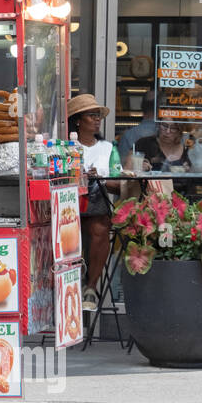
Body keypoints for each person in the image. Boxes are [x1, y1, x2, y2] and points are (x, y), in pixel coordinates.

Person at [67, 94, 120, 313]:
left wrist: (101, 178)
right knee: (68, 230)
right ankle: (71, 282)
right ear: (78, 120)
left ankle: (91, 286)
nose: (97, 119)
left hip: (96, 203)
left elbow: (119, 183)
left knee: (100, 228)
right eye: (91, 115)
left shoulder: (108, 148)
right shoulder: (66, 146)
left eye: (98, 115)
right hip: (68, 204)